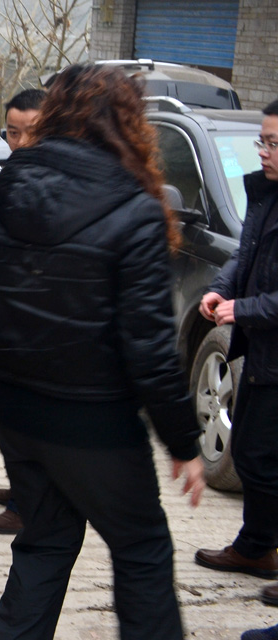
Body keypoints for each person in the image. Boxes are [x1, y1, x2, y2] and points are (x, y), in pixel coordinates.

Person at [0, 64, 205, 640]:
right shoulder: (136, 206)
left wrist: (28, 324)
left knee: (44, 542)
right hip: (97, 426)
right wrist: (185, 443)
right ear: (127, 124)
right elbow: (149, 349)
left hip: (18, 410)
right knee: (140, 549)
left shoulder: (12, 184)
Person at [195, 99, 278, 600]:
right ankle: (255, 547)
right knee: (251, 453)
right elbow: (244, 257)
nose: (264, 153)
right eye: (263, 141)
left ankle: (259, 547)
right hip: (265, 354)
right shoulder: (265, 194)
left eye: (274, 144)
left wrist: (242, 311)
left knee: (265, 460)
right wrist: (222, 290)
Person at [0, 87, 46, 537]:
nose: (21, 143)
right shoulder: (10, 174)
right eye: (12, 132)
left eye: (33, 133)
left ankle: (30, 503)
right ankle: (19, 486)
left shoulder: (57, 182)